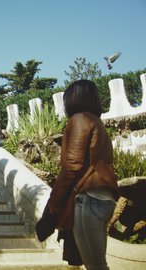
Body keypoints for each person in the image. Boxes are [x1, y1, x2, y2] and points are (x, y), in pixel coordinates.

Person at [45, 80, 119, 269]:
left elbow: (71, 167)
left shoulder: (79, 120)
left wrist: (52, 206)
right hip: (105, 200)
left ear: (72, 99)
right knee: (97, 262)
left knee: (95, 265)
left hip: (88, 200)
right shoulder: (97, 123)